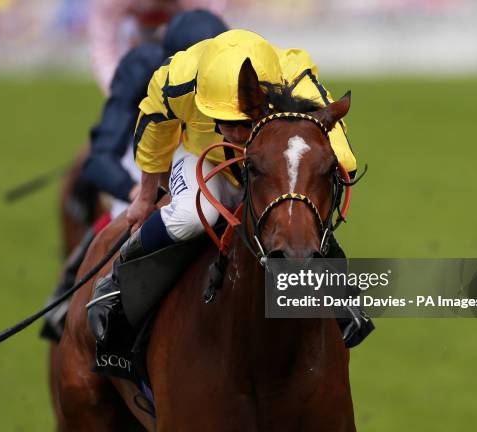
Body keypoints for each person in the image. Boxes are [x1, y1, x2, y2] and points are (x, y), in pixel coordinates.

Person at [87, 29, 374, 348]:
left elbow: (333, 137)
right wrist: (143, 198)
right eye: (224, 121)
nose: (237, 133)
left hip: (272, 156)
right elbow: (155, 129)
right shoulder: (178, 77)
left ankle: (338, 291)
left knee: (301, 199)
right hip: (201, 154)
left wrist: (338, 168)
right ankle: (116, 280)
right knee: (194, 215)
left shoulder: (293, 74)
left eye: (243, 122)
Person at [41, 10, 228, 341]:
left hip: (212, 149)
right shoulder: (144, 67)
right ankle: (91, 300)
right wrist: (135, 194)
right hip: (146, 152)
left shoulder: (239, 65)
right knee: (128, 221)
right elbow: (100, 159)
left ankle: (325, 301)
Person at [89, 0, 226, 93]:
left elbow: (211, 41)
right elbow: (103, 47)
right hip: (140, 42)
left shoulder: (203, 5)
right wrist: (119, 91)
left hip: (183, 42)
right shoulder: (110, 3)